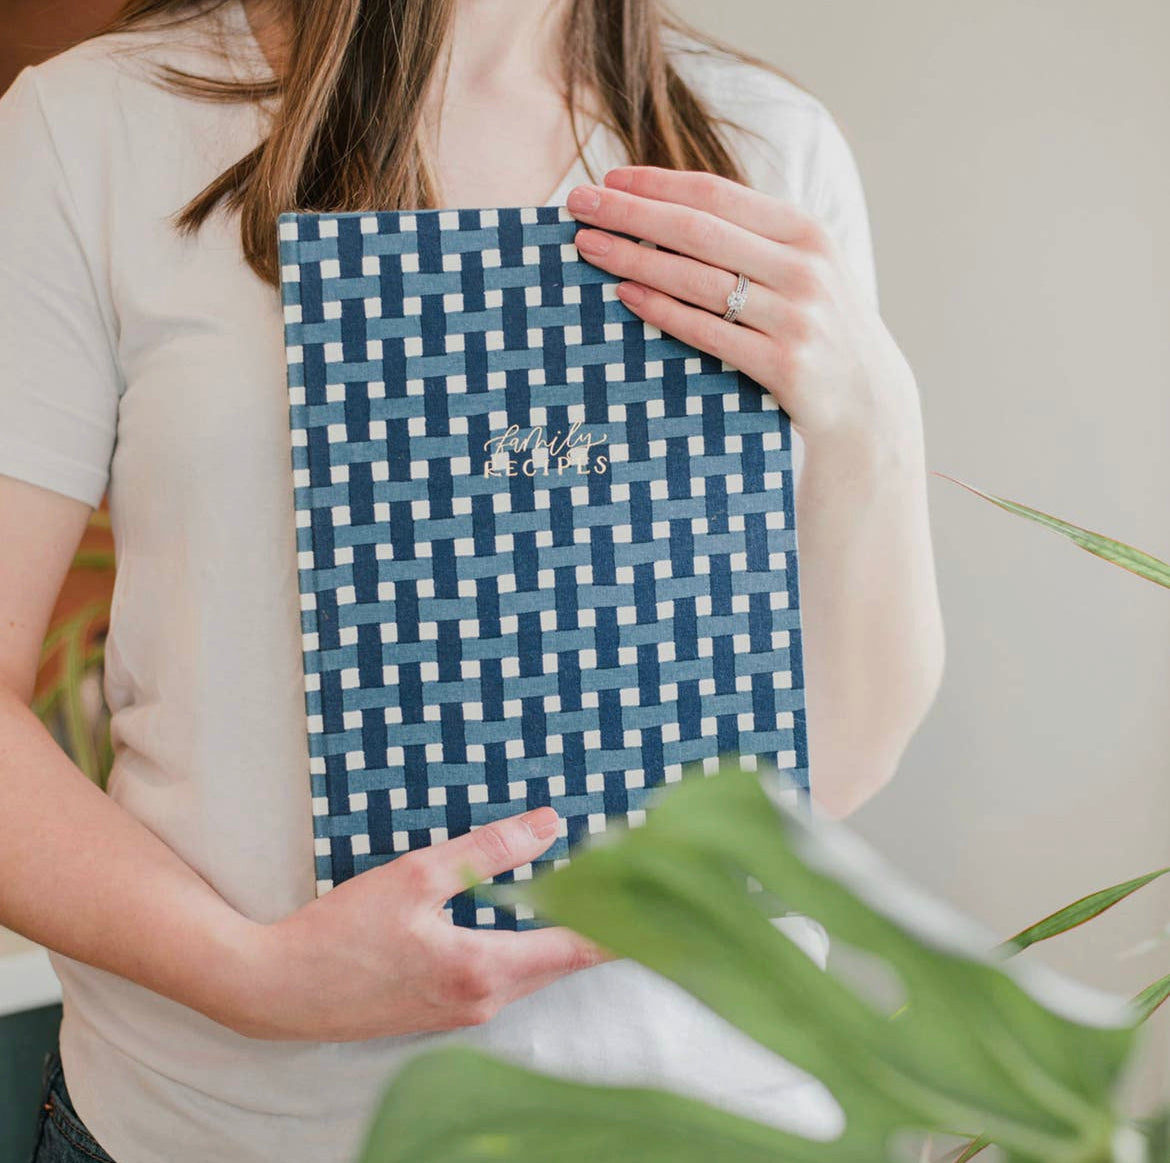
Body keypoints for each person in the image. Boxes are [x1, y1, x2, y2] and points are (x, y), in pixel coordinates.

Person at [0, 0, 945, 1160]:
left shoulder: (767, 142)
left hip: (716, 1113)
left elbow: (828, 765)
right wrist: (251, 976)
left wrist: (877, 413)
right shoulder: (91, 126)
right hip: (230, 1123)